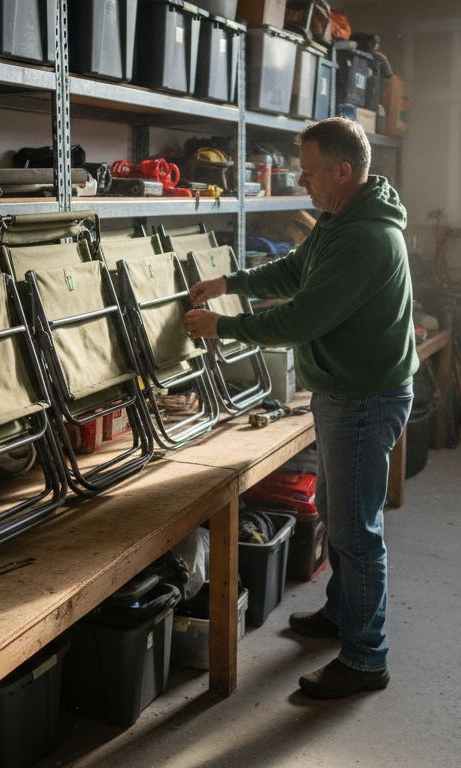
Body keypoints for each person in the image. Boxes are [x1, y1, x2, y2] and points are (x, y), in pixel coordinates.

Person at [184, 117, 416, 699]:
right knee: (338, 511)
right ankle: (342, 614)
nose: (302, 182)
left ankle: (366, 659)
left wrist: (222, 327)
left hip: (363, 397)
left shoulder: (364, 239)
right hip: (346, 390)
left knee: (356, 532)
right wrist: (231, 282)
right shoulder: (342, 219)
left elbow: (301, 319)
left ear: (343, 171)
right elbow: (295, 269)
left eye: (310, 173)